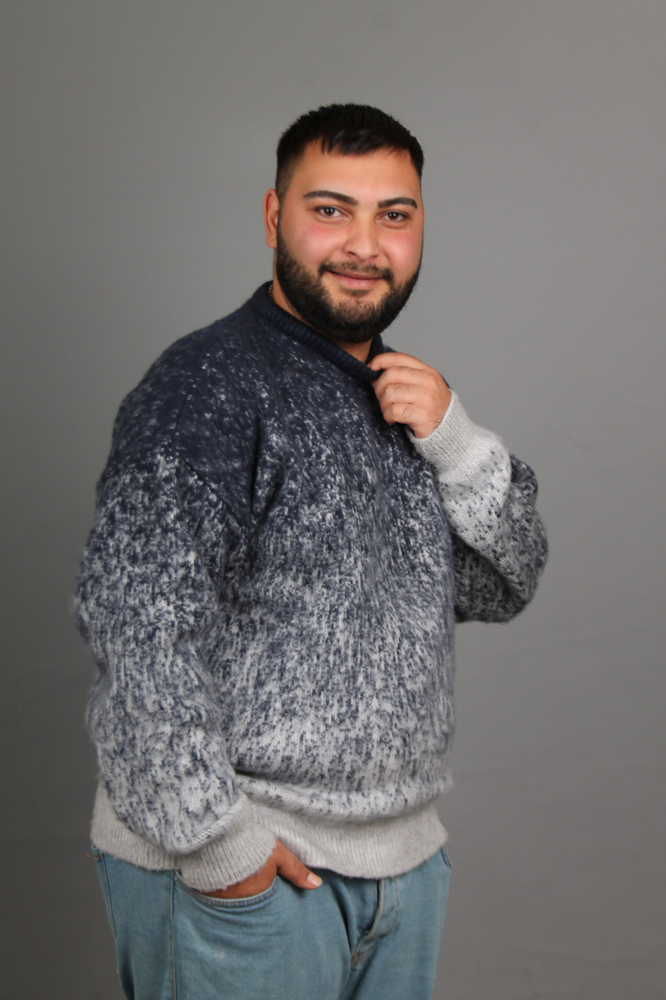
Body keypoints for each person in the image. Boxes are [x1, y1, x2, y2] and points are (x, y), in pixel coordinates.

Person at [76, 103, 547, 1000]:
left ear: (420, 228)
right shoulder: (206, 386)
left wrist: (457, 440)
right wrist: (219, 847)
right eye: (331, 209)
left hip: (400, 874)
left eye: (394, 215)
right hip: (243, 882)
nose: (364, 245)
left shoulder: (409, 401)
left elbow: (505, 582)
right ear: (273, 216)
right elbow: (137, 625)